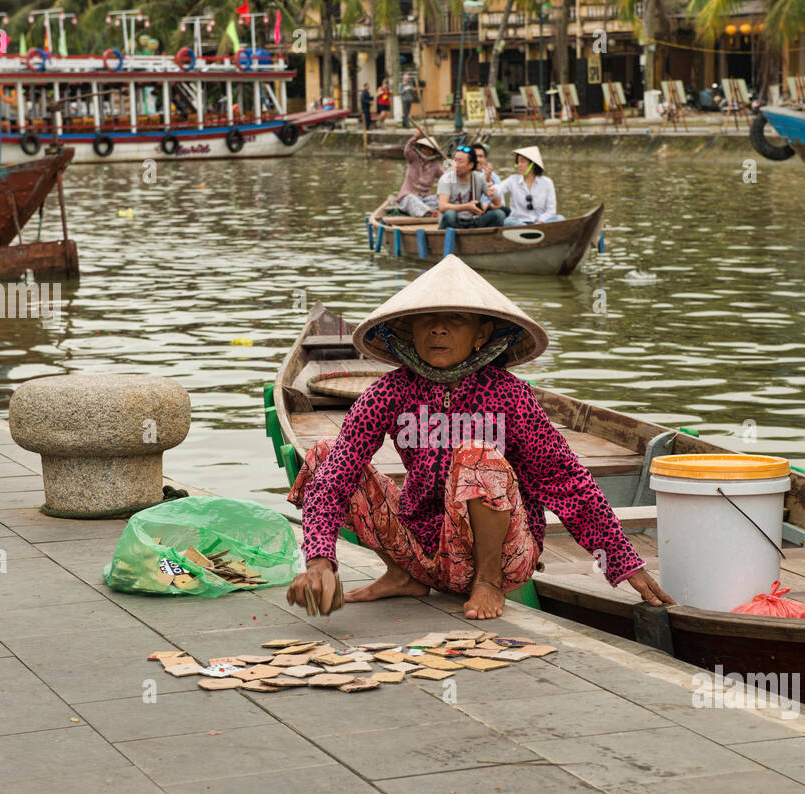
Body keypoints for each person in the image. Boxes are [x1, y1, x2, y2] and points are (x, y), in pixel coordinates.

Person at [285, 255, 673, 620]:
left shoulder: (510, 396)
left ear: (481, 334)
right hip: (423, 549)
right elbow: (337, 476)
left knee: (477, 454)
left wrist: (624, 564)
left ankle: (487, 582)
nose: (439, 328)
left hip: (505, 558)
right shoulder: (389, 393)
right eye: (428, 320)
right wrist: (320, 559)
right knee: (325, 455)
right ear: (412, 331)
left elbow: (567, 482)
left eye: (455, 318)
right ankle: (405, 575)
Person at [438, 145, 504, 230]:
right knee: (450, 214)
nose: (455, 165)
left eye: (460, 162)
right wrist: (467, 207)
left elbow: (498, 204)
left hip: (473, 221)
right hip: (453, 222)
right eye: (454, 160)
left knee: (499, 214)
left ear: (471, 165)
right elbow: (442, 206)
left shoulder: (479, 178)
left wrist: (489, 182)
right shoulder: (446, 178)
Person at [499, 146, 563, 226]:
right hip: (520, 223)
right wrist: (492, 190)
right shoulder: (512, 180)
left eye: (522, 162)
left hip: (542, 224)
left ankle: (531, 232)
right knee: (508, 221)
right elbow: (499, 189)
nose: (519, 165)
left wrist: (540, 222)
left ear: (533, 164)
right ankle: (530, 231)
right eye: (517, 162)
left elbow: (551, 210)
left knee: (560, 219)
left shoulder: (547, 182)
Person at [395, 134, 444, 217]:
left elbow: (445, 178)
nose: (427, 151)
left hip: (424, 199)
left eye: (430, 150)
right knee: (411, 199)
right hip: (407, 197)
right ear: (420, 149)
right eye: (424, 148)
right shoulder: (413, 158)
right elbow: (407, 150)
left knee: (442, 198)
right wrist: (415, 136)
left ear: (433, 152)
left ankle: (427, 210)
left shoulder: (436, 165)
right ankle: (428, 212)